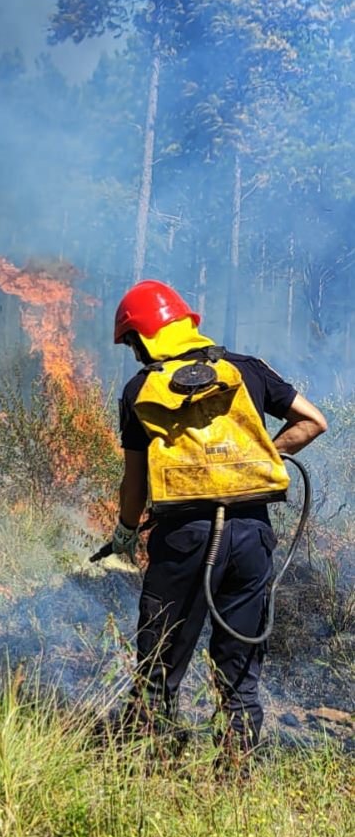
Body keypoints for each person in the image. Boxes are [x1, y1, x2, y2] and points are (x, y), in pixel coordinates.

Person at [110, 279, 327, 759]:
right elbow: (314, 420)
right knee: (239, 670)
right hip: (251, 534)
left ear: (144, 337)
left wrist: (125, 532)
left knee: (161, 663)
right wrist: (255, 459)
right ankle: (235, 775)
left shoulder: (139, 389)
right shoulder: (246, 369)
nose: (133, 352)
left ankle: (145, 767)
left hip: (184, 539)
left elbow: (134, 483)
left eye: (131, 342)